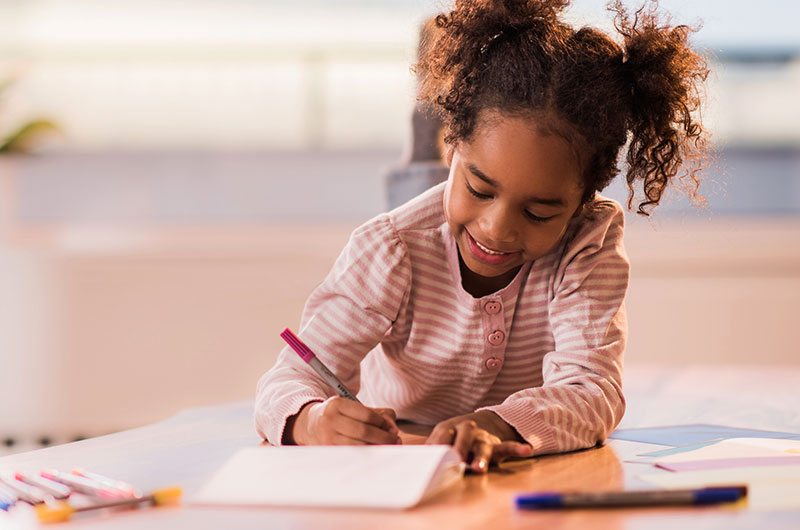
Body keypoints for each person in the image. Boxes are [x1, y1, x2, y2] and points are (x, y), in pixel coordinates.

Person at [255, 0, 710, 473]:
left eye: (538, 212)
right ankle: (430, 126)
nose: (498, 228)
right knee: (421, 188)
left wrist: (500, 424)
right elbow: (285, 382)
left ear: (581, 200)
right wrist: (310, 420)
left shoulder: (586, 241)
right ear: (455, 146)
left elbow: (592, 391)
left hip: (498, 452)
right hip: (404, 443)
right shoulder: (390, 249)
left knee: (460, 208)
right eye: (480, 188)